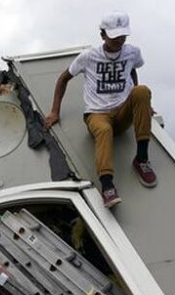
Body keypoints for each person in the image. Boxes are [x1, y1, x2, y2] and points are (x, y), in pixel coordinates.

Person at [44, 12, 157, 208]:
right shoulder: (89, 57)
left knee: (143, 91)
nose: (119, 41)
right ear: (103, 35)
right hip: (97, 114)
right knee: (104, 131)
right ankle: (107, 185)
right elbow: (63, 79)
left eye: (122, 37)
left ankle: (141, 159)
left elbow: (132, 70)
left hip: (122, 111)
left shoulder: (132, 52)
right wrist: (55, 111)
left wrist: (142, 104)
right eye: (114, 37)